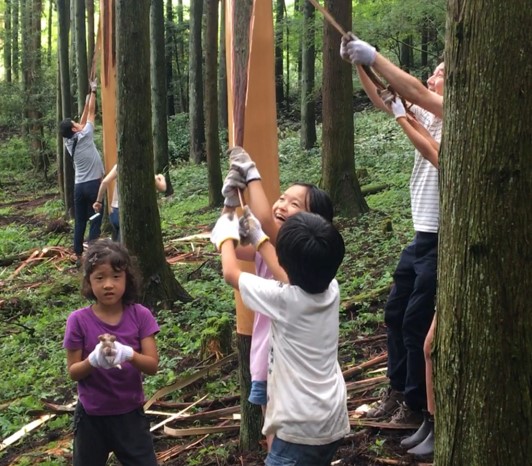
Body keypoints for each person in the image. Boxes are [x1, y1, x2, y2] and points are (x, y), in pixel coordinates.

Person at [340, 35, 444, 427]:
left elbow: (408, 98)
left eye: (440, 73)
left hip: (440, 238)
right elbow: (387, 100)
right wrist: (359, 66)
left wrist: (376, 58)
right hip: (420, 235)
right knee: (396, 311)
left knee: (418, 319)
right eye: (433, 72)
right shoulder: (430, 113)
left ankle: (419, 406)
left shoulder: (454, 113)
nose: (432, 78)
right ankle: (398, 390)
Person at [210, 209, 350, 466]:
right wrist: (259, 237)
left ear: (283, 262)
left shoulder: (283, 299)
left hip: (299, 430)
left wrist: (226, 227)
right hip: (332, 419)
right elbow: (289, 273)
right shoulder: (332, 289)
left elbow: (231, 273)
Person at [220, 147, 335, 449]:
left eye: (295, 204)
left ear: (316, 223)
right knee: (273, 435)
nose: (281, 205)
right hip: (264, 361)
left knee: (283, 445)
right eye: (282, 198)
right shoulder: (324, 278)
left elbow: (255, 233)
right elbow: (235, 242)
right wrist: (230, 206)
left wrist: (250, 170)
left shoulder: (298, 276)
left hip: (290, 379)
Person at [63, 239, 159, 466]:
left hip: (130, 414)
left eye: (116, 277)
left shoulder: (140, 315)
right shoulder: (78, 321)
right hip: (91, 417)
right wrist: (93, 360)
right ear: (89, 282)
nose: (108, 284)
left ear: (127, 279)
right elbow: (73, 372)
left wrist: (128, 354)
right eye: (100, 277)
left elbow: (152, 366)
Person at [59, 80, 105, 267]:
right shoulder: (85, 135)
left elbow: (84, 119)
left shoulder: (69, 142)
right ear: (74, 129)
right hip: (94, 184)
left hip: (79, 187)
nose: (79, 123)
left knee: (79, 221)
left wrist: (87, 100)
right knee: (95, 217)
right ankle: (93, 252)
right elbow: (91, 116)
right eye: (75, 123)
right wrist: (93, 91)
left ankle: (78, 254)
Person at [93, 163, 167, 241]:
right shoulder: (145, 168)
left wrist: (98, 201)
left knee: (116, 244)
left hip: (114, 211)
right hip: (130, 213)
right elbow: (163, 188)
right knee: (123, 246)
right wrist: (161, 177)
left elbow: (104, 182)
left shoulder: (120, 165)